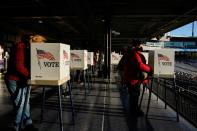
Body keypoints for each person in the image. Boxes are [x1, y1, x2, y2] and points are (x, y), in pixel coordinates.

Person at [4, 34, 45, 131]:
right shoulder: (20, 47)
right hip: (14, 79)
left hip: (23, 79)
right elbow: (19, 66)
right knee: (20, 103)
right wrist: (30, 75)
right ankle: (16, 127)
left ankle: (28, 124)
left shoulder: (28, 49)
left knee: (26, 102)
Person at [123, 39, 152, 117]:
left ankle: (134, 109)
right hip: (133, 78)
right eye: (141, 44)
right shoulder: (134, 53)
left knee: (133, 95)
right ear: (138, 45)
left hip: (130, 77)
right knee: (134, 95)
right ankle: (134, 111)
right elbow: (139, 65)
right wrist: (150, 69)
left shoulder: (130, 52)